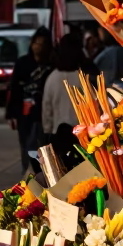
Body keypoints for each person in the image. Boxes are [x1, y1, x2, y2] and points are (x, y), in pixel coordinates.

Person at [6, 27, 53, 171]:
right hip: (25, 112)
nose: (38, 47)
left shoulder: (51, 63)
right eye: (36, 43)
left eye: (41, 44)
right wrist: (11, 114)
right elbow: (14, 89)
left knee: (42, 143)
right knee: (27, 143)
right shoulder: (23, 63)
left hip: (44, 112)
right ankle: (30, 170)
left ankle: (41, 171)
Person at [41, 32, 86, 161]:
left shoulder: (52, 78)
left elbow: (46, 109)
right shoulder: (83, 77)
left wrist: (47, 131)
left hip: (57, 136)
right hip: (82, 135)